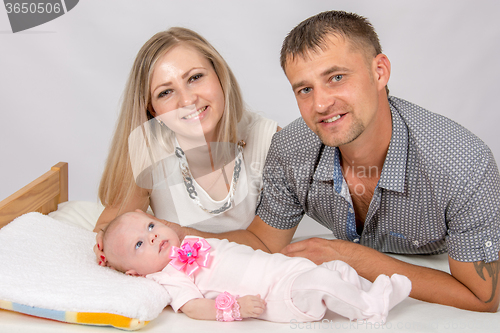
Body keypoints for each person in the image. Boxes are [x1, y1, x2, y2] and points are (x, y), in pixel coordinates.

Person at [158, 11, 500, 312]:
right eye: (304, 89)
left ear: (379, 71)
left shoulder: (462, 163)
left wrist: (353, 258)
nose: (321, 104)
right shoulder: (291, 150)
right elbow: (263, 243)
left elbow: (483, 297)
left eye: (336, 77)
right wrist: (171, 233)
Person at [93, 27, 278, 261]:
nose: (187, 100)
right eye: (166, 92)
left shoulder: (271, 141)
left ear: (220, 75)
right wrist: (105, 242)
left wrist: (183, 234)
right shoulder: (149, 152)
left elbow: (268, 245)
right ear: (153, 110)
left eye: (195, 78)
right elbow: (108, 227)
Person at [100, 211, 411, 323]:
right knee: (321, 283)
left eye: (151, 225)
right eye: (139, 245)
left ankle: (367, 290)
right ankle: (371, 309)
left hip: (282, 269)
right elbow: (194, 307)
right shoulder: (168, 277)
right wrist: (233, 308)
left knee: (336, 269)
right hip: (276, 296)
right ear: (134, 273)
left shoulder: (190, 242)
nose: (152, 236)